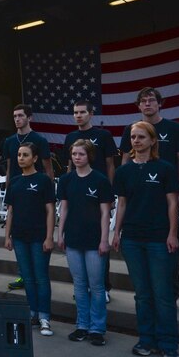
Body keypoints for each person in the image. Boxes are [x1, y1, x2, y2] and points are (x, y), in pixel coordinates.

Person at [112, 121, 179, 357]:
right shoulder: (123, 172)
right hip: (132, 238)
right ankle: (146, 339)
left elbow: (173, 203)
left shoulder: (164, 168)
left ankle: (169, 343)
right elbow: (122, 204)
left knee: (162, 293)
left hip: (158, 238)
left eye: (142, 137)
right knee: (142, 294)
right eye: (133, 137)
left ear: (153, 141)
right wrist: (115, 232)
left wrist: (172, 233)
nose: (136, 141)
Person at [57, 139, 113, 346]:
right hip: (73, 238)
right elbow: (64, 209)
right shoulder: (66, 180)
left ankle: (97, 328)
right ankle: (82, 325)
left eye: (81, 154)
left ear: (89, 156)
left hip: (94, 240)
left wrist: (104, 239)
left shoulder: (100, 180)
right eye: (74, 154)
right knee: (79, 285)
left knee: (96, 286)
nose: (77, 157)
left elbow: (105, 212)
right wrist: (60, 233)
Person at [63, 99, 117, 302]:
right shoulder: (71, 137)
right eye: (75, 112)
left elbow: (111, 164)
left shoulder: (103, 135)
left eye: (82, 112)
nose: (78, 115)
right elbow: (70, 166)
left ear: (91, 114)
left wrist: (110, 194)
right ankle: (81, 287)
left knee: (99, 241)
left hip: (99, 194)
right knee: (77, 238)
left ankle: (103, 286)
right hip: (77, 194)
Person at [3, 142, 56, 337]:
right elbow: (10, 211)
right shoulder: (15, 182)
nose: (21, 158)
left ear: (34, 158)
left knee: (41, 278)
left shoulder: (43, 180)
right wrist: (7, 236)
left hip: (39, 237)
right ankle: (32, 313)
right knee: (28, 278)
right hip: (19, 237)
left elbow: (50, 210)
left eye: (25, 155)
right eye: (18, 155)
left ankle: (44, 317)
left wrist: (50, 237)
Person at [1, 104, 54, 291]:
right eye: (14, 116)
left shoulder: (39, 140)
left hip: (36, 190)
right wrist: (8, 187)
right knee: (19, 234)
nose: (17, 119)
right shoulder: (9, 141)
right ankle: (23, 275)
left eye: (21, 115)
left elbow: (48, 167)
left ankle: (35, 278)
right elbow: (9, 167)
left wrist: (50, 188)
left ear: (29, 118)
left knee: (34, 239)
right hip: (17, 187)